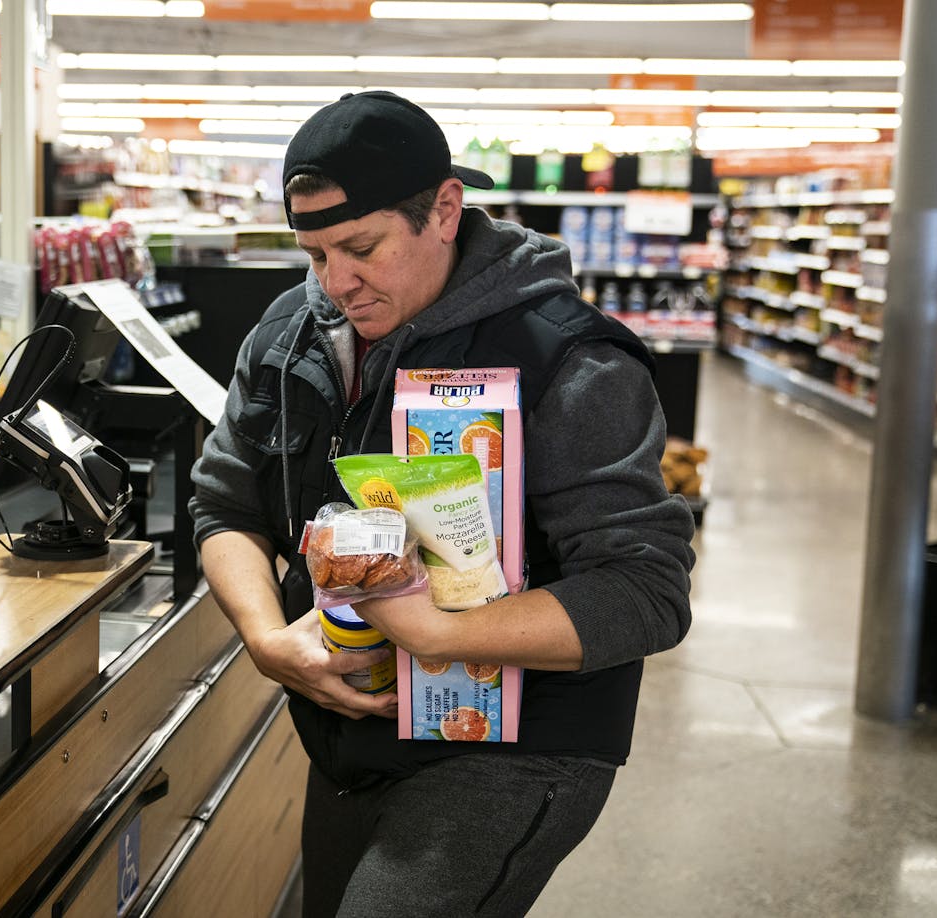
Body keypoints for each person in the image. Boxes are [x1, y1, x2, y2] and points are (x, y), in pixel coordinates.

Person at [188, 90, 695, 917]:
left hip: (516, 749)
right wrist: (265, 640)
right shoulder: (289, 336)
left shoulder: (570, 360)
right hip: (352, 736)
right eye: (314, 253)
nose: (335, 282)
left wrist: (437, 633)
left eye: (361, 247)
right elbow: (225, 502)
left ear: (446, 209)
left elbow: (646, 592)